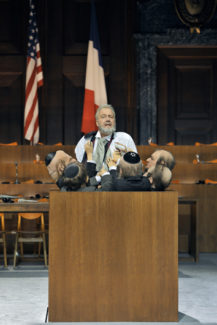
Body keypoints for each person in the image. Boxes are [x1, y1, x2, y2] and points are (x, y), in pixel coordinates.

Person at [75, 104, 137, 172]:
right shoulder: (86, 140)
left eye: (111, 117)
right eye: (103, 117)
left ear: (114, 121)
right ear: (97, 123)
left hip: (118, 180)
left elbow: (134, 165)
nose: (108, 119)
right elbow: (80, 167)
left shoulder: (125, 139)